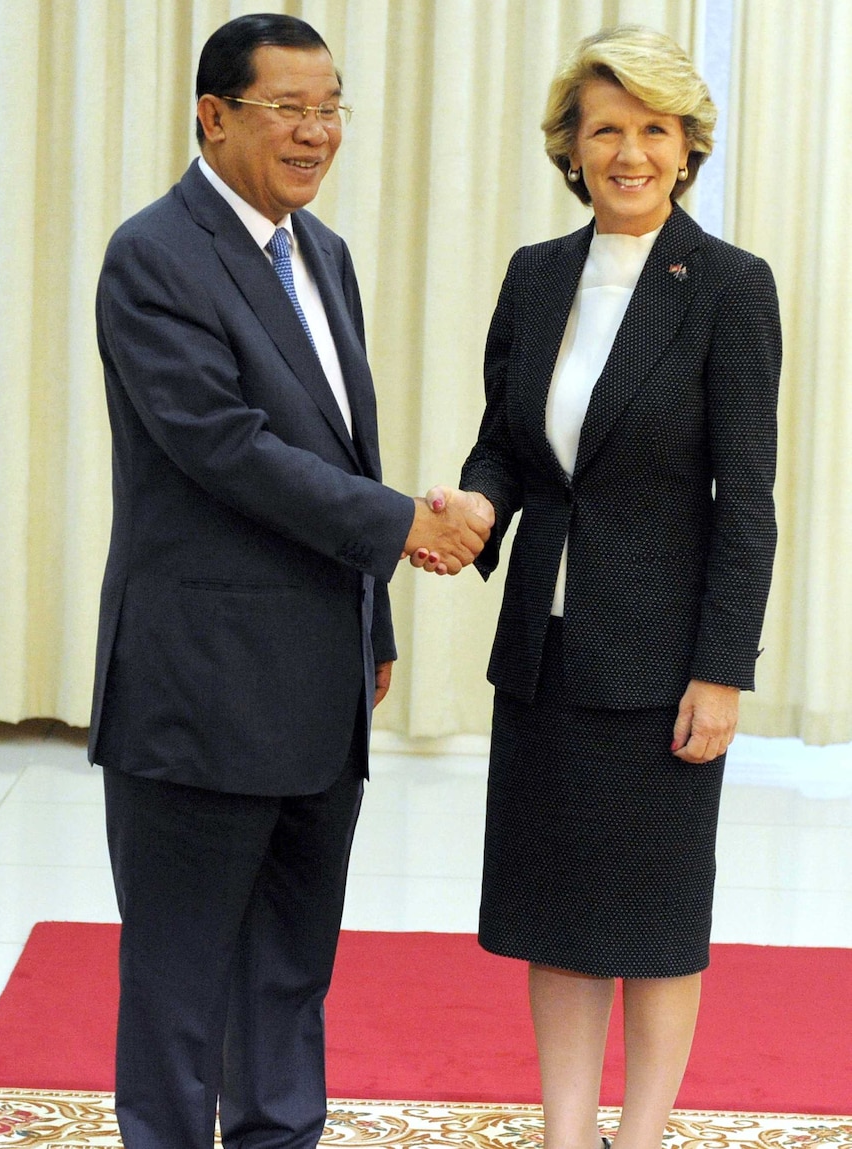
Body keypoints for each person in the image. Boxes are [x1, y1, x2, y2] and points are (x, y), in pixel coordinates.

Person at [88, 13, 491, 1149]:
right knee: (179, 982)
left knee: (288, 974)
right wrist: (403, 525)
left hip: (317, 677)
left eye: (331, 109)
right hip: (199, 685)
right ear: (213, 117)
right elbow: (225, 446)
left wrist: (374, 624)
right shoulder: (153, 254)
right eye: (288, 110)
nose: (317, 134)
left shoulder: (324, 255)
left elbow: (333, 449)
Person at [416, 24, 781, 1149]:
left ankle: (641, 1135)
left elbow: (747, 500)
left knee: (654, 920)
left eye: (654, 131)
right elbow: (506, 450)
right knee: (556, 911)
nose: (629, 152)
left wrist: (721, 673)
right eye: (606, 128)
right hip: (545, 650)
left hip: (662, 659)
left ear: (687, 148)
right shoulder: (536, 278)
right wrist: (476, 508)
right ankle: (567, 1133)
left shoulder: (727, 287)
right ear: (570, 148)